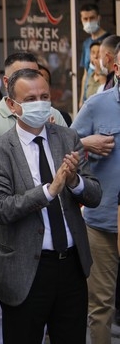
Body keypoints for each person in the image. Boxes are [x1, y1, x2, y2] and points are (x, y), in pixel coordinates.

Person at [0, 69, 101, 344]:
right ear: (12, 105)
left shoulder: (67, 138)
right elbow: (0, 209)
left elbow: (94, 195)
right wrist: (49, 190)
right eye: (31, 98)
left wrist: (74, 182)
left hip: (71, 265)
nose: (39, 103)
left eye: (44, 96)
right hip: (25, 270)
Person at [0, 52, 68, 344]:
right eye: (22, 79)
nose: (36, 98)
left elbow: (68, 158)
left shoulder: (56, 119)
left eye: (41, 91)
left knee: (41, 311)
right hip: (3, 232)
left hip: (53, 233)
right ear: (9, 87)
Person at [72, 42, 120, 344]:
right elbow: (65, 144)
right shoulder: (96, 104)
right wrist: (87, 143)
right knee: (100, 305)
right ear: (116, 68)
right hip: (103, 221)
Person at [79, 4, 110, 97]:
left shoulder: (109, 41)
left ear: (98, 18)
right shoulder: (86, 43)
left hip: (102, 94)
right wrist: (81, 99)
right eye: (85, 19)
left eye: (92, 18)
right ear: (81, 20)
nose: (88, 22)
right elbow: (85, 73)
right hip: (88, 94)